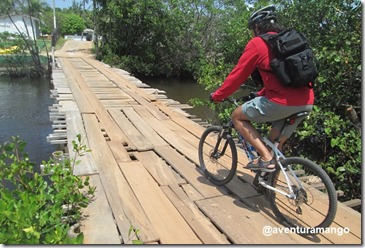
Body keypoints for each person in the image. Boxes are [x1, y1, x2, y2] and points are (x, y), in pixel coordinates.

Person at [210, 5, 314, 172]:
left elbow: (237, 75)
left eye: (253, 29)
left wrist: (218, 95)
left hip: (282, 102)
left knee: (237, 116)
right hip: (307, 100)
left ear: (257, 27)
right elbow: (285, 79)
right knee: (273, 145)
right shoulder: (285, 43)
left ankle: (265, 159)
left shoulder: (258, 43)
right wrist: (260, 94)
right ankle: (270, 177)